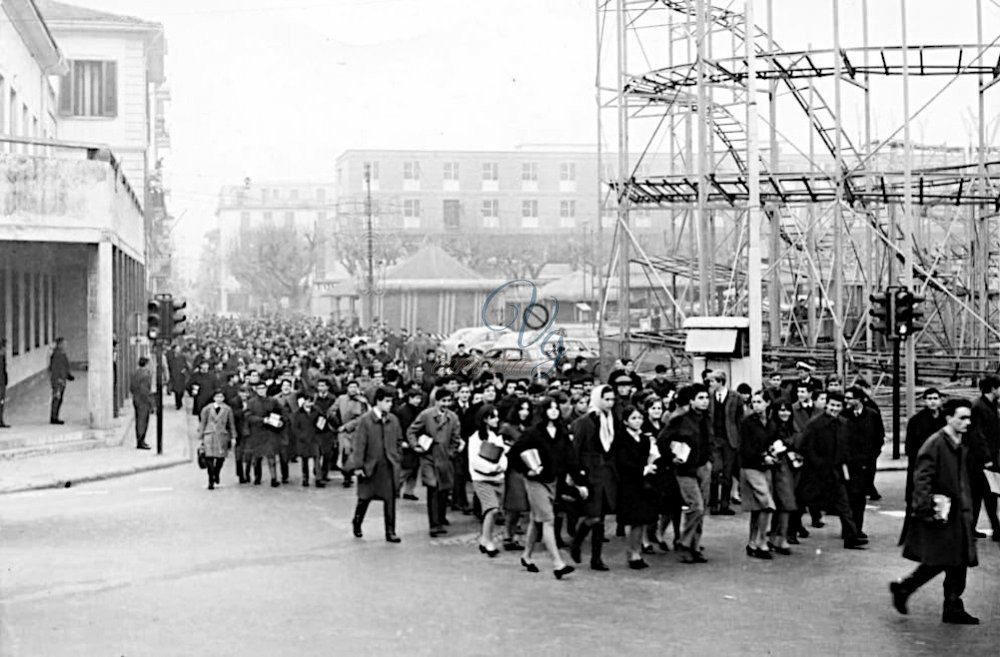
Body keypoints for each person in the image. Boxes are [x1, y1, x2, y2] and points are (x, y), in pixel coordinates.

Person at [890, 398, 981, 625]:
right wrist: (925, 509)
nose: (967, 422)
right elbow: (922, 479)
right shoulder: (936, 444)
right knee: (943, 560)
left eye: (969, 418)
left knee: (956, 561)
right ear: (948, 417)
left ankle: (952, 605)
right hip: (944, 513)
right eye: (962, 418)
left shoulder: (959, 442)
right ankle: (906, 588)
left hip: (960, 512)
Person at [510, 397, 580, 579]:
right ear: (543, 411)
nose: (555, 411)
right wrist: (527, 469)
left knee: (536, 519)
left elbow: (570, 457)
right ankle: (558, 563)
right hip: (536, 481)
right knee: (548, 519)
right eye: (550, 408)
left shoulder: (562, 432)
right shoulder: (533, 432)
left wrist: (579, 480)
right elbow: (514, 453)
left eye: (557, 407)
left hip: (554, 481)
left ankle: (526, 555)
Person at [799, 392, 867, 550]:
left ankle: (851, 537)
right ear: (826, 405)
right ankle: (791, 530)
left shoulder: (844, 423)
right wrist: (819, 464)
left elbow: (847, 446)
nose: (835, 409)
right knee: (803, 501)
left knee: (844, 504)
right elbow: (806, 447)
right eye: (832, 405)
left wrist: (845, 462)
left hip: (836, 471)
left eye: (838, 406)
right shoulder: (814, 424)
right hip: (816, 472)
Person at [569, 384, 619, 571]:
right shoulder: (585, 421)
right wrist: (578, 475)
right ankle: (577, 541)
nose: (610, 403)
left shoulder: (612, 419)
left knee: (602, 518)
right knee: (593, 516)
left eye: (612, 399)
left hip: (606, 473)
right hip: (590, 472)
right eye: (606, 399)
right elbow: (576, 449)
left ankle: (596, 558)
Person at [347, 388, 403, 543]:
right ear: (378, 401)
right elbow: (359, 444)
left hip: (388, 465)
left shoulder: (393, 419)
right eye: (387, 401)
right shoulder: (366, 420)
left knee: (390, 499)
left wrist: (397, 456)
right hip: (370, 466)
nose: (390, 405)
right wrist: (358, 466)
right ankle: (357, 522)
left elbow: (399, 440)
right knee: (364, 498)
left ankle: (390, 531)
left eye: (391, 401)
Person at [664, 383, 713, 563]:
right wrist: (672, 457)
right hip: (685, 469)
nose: (704, 401)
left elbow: (710, 441)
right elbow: (663, 440)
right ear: (691, 401)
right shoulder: (680, 420)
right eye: (700, 398)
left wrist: (710, 461)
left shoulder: (706, 419)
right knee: (696, 506)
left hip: (703, 466)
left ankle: (695, 546)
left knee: (702, 510)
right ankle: (684, 543)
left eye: (706, 398)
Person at [407, 388, 463, 537]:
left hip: (445, 458)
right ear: (436, 401)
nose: (445, 404)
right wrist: (415, 446)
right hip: (429, 457)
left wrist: (451, 452)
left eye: (448, 401)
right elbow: (411, 431)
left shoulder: (453, 417)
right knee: (433, 488)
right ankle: (434, 524)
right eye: (442, 401)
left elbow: (456, 438)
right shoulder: (426, 415)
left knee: (443, 489)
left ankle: (441, 517)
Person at [899, 388, 946, 546]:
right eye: (929, 398)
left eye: (935, 398)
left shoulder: (945, 419)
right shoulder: (916, 420)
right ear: (924, 401)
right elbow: (910, 447)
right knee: (916, 501)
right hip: (921, 466)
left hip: (941, 466)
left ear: (940, 400)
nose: (933, 401)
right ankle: (909, 536)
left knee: (940, 502)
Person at [615, 405, 660, 569]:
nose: (638, 421)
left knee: (641, 519)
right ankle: (631, 552)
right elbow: (623, 462)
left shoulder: (645, 438)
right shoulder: (621, 438)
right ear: (626, 420)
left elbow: (652, 455)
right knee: (631, 519)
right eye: (633, 418)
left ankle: (637, 551)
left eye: (640, 418)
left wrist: (651, 464)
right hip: (628, 482)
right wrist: (643, 469)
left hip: (643, 483)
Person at [739, 391, 777, 559]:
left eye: (759, 401)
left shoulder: (770, 423)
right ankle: (762, 542)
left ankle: (752, 542)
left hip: (766, 468)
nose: (756, 405)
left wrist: (774, 454)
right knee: (767, 505)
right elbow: (746, 448)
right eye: (753, 402)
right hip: (751, 467)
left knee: (758, 507)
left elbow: (774, 441)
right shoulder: (747, 423)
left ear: (767, 403)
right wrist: (764, 457)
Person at [842, 386, 884, 539]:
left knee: (860, 499)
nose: (846, 401)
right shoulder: (844, 415)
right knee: (848, 497)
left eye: (849, 398)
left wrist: (873, 455)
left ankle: (857, 528)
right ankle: (848, 529)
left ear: (859, 399)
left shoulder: (872, 415)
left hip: (866, 463)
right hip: (848, 463)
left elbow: (879, 437)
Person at [468, 404, 508, 557]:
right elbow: (474, 460)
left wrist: (501, 467)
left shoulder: (497, 436)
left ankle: (485, 538)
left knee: (494, 511)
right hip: (482, 478)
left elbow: (503, 455)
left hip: (498, 477)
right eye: (493, 417)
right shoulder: (475, 438)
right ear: (485, 419)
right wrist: (491, 469)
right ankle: (487, 540)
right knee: (492, 508)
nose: (497, 420)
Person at [969, 375, 1000, 542]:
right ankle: (993, 529)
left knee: (988, 494)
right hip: (980, 461)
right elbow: (978, 435)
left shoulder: (991, 405)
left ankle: (992, 528)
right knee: (982, 494)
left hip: (990, 458)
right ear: (993, 388)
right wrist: (987, 458)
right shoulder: (979, 407)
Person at [708, 371, 742, 515]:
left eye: (713, 381)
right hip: (715, 438)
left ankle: (725, 505)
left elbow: (740, 418)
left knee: (727, 474)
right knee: (715, 472)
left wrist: (739, 439)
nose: (710, 384)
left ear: (720, 381)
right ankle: (714, 504)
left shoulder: (735, 397)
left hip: (730, 439)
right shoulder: (709, 397)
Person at [197, 389, 237, 490]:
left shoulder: (227, 409)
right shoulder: (207, 409)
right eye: (217, 397)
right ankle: (211, 479)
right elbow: (203, 422)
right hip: (209, 435)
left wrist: (233, 437)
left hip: (222, 435)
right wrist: (201, 436)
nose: (219, 399)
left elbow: (231, 424)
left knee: (220, 458)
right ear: (214, 398)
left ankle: (217, 472)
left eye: (221, 397)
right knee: (209, 457)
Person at [292, 393, 323, 487]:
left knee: (317, 459)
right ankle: (305, 478)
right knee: (304, 460)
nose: (310, 403)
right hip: (303, 440)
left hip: (315, 438)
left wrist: (319, 429)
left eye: (311, 401)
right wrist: (300, 436)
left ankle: (318, 478)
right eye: (308, 401)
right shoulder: (298, 413)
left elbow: (322, 420)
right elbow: (295, 428)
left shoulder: (317, 411)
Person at [49, 337, 74, 425]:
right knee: (57, 398)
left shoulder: (61, 354)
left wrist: (68, 375)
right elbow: (56, 369)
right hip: (58, 380)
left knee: (59, 399)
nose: (65, 345)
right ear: (60, 345)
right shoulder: (57, 355)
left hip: (61, 380)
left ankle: (55, 416)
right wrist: (59, 379)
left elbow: (64, 367)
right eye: (64, 344)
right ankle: (54, 417)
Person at [130, 357, 153, 450]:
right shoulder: (145, 375)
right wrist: (150, 401)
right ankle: (141, 440)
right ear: (146, 364)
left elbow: (131, 387)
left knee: (138, 420)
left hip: (136, 399)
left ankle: (139, 440)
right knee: (143, 421)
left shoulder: (135, 373)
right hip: (143, 401)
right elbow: (145, 390)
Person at [166, 344, 189, 410]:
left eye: (179, 349)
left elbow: (186, 366)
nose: (178, 350)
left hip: (181, 377)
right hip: (174, 376)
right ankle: (178, 404)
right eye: (177, 349)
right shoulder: (171, 357)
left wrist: (184, 369)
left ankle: (180, 401)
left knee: (181, 391)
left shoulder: (183, 357)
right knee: (176, 391)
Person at [0, 337, 9, 428]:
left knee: (1, 402)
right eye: (5, 348)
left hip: (2, 383)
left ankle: (1, 420)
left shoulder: (3, 357)